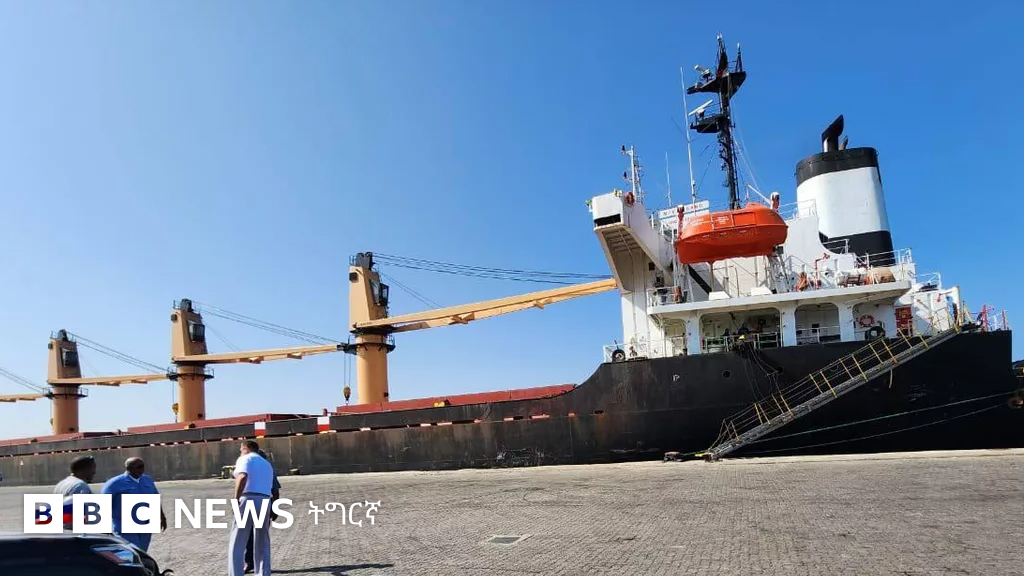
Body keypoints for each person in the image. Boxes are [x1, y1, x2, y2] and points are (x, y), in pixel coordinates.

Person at [101, 457, 167, 552]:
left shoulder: (147, 480)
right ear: (129, 468)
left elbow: (155, 498)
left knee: (142, 552)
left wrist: (162, 517)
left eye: (143, 466)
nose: (142, 469)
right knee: (130, 553)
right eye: (139, 467)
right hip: (124, 528)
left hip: (145, 526)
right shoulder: (114, 483)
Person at [228, 440, 274, 576]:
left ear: (246, 448)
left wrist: (235, 500)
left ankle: (235, 573)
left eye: (241, 450)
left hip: (248, 498)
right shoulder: (267, 464)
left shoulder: (245, 458)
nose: (240, 452)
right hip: (265, 500)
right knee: (262, 542)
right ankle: (263, 573)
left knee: (238, 540)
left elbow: (242, 477)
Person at [243, 449, 281, 574]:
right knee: (249, 535)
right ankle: (250, 562)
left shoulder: (268, 470)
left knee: (259, 537)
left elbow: (275, 490)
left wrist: (274, 509)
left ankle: (260, 565)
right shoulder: (247, 470)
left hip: (262, 504)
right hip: (250, 505)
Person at [54, 455, 97, 530]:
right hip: (77, 533)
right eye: (92, 468)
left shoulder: (61, 484)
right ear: (84, 469)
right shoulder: (80, 486)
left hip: (64, 531)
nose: (94, 472)